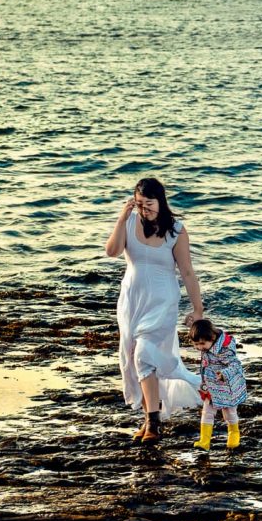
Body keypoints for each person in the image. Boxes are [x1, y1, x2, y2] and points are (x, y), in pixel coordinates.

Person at [105, 177, 204, 444]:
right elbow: (112, 251)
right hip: (132, 300)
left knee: (144, 355)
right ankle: (150, 417)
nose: (144, 209)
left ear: (160, 201)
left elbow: (187, 272)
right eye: (139, 204)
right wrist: (121, 217)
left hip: (163, 302)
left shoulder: (176, 231)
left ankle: (153, 423)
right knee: (134, 357)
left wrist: (198, 311)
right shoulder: (128, 221)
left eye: (148, 204)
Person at [189, 318, 247, 451]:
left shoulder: (224, 350)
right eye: (196, 344)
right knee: (207, 412)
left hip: (227, 388)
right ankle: (204, 441)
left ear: (213, 337)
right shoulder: (208, 347)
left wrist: (224, 374)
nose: (199, 347)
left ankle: (234, 437)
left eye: (202, 344)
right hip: (211, 387)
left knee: (229, 413)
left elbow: (235, 365)